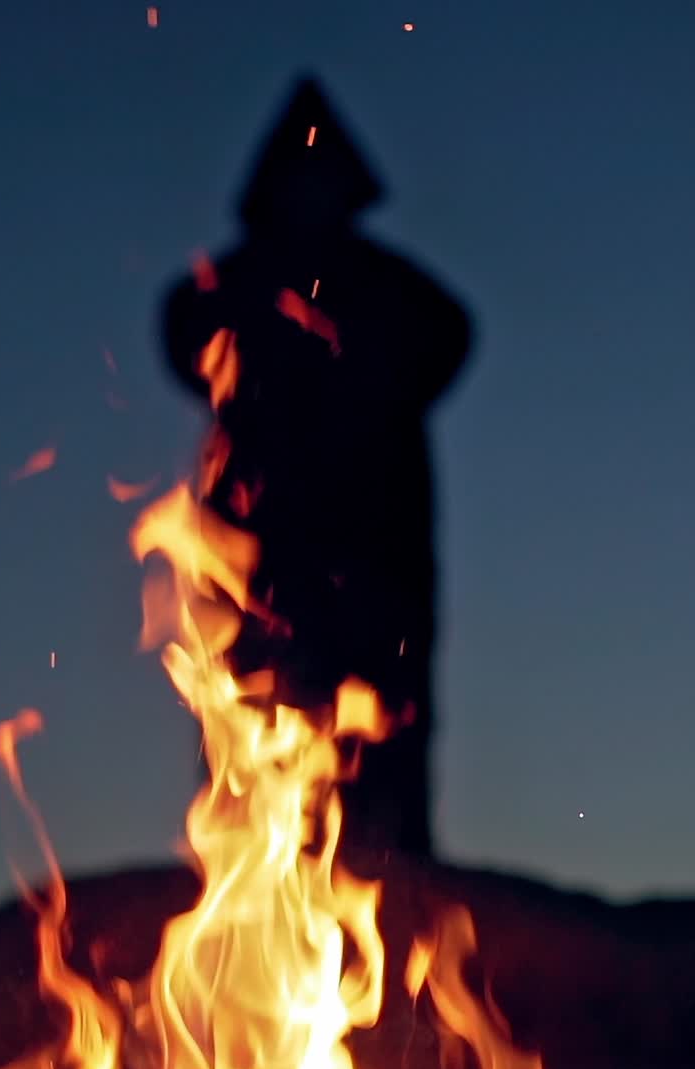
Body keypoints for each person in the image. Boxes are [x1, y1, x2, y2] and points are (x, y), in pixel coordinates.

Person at [160, 77, 473, 862]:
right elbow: (181, 326)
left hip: (376, 560)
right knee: (262, 723)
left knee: (379, 746)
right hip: (268, 564)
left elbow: (451, 335)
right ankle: (260, 908)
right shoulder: (239, 286)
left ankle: (384, 910)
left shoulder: (389, 291)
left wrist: (369, 389)